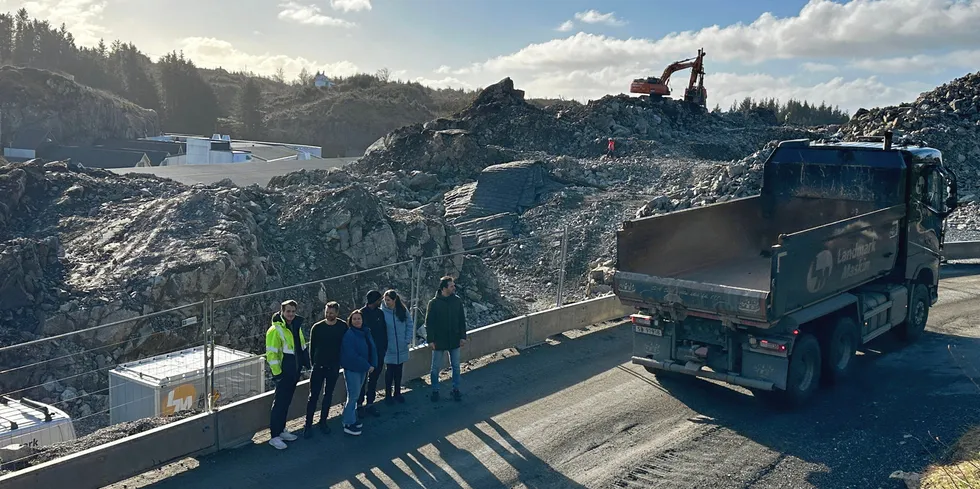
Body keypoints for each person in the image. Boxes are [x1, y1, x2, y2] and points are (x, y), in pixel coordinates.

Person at [265, 299, 310, 450]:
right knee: (279, 404)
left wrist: (306, 364)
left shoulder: (295, 326)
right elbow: (272, 355)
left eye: (293, 311)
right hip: (284, 373)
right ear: (282, 312)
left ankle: (281, 430)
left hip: (294, 371)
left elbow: (301, 346)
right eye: (288, 311)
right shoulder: (275, 330)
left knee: (286, 402)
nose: (290, 314)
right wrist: (278, 374)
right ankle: (274, 436)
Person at [303, 301, 347, 437]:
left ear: (337, 313)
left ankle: (323, 422)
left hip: (333, 366)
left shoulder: (343, 326)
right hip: (318, 366)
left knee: (328, 395)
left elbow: (345, 345)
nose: (328, 315)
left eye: (331, 313)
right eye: (327, 312)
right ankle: (308, 424)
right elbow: (312, 347)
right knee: (313, 397)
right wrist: (314, 363)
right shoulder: (317, 327)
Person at [425, 276, 468, 402]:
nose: (454, 288)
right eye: (451, 286)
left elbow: (461, 320)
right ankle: (435, 390)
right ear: (444, 288)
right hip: (439, 340)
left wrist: (462, 337)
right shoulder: (433, 303)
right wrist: (431, 340)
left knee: (456, 366)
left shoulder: (457, 301)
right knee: (435, 367)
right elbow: (429, 323)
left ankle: (456, 389)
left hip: (454, 339)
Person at [340, 309, 377, 436]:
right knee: (353, 396)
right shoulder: (349, 334)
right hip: (353, 369)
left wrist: (372, 364)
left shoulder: (365, 332)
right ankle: (348, 423)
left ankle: (351, 419)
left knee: (355, 396)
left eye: (359, 318)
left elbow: (372, 348)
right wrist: (368, 365)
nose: (357, 321)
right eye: (354, 319)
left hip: (362, 369)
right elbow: (351, 355)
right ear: (350, 320)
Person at [357, 290, 387, 417]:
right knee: (362, 380)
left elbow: (384, 332)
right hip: (365, 353)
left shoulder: (380, 313)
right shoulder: (361, 314)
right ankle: (359, 405)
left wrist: (383, 348)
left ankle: (370, 403)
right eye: (379, 300)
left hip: (378, 352)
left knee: (373, 379)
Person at [381, 289, 414, 404]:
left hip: (401, 346)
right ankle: (388, 395)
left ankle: (397, 392)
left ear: (394, 300)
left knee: (399, 371)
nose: (386, 302)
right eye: (385, 300)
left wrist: (407, 339)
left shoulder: (402, 310)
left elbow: (409, 324)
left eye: (388, 300)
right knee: (389, 371)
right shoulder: (382, 312)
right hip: (389, 348)